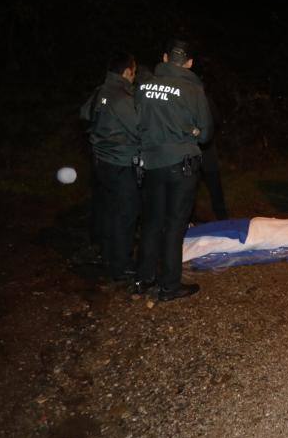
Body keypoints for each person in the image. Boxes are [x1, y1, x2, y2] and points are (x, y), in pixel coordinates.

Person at [134, 39, 213, 301]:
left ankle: (143, 279)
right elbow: (205, 134)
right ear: (189, 63)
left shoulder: (143, 85)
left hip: (151, 164)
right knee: (174, 226)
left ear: (165, 57)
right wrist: (191, 130)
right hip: (181, 165)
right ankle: (170, 286)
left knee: (152, 222)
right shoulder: (193, 89)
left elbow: (135, 123)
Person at [79, 51, 141, 281]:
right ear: (126, 72)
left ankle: (107, 253)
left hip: (101, 161)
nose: (134, 77)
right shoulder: (122, 97)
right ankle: (121, 264)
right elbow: (138, 129)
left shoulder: (100, 91)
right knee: (126, 213)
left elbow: (84, 114)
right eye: (134, 72)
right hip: (121, 163)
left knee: (108, 209)